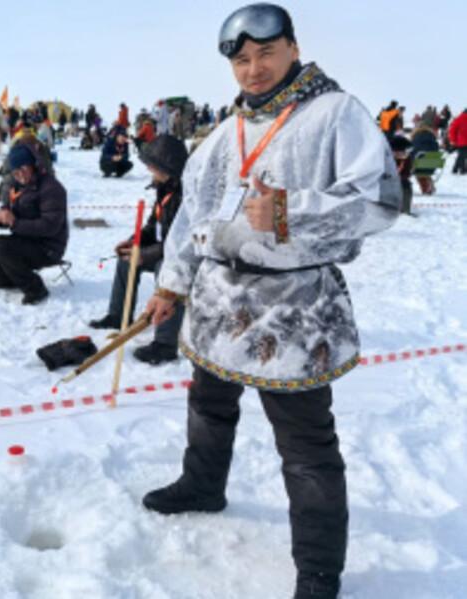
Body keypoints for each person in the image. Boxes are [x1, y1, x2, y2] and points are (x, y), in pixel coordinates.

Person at [141, 5, 401, 598]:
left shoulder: (335, 113)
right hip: (218, 299)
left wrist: (290, 210)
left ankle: (317, 570)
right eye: (241, 60)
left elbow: (381, 198)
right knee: (209, 403)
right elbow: (191, 213)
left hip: (293, 309)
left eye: (265, 54)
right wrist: (170, 283)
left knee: (305, 444)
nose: (254, 69)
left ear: (292, 46)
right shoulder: (226, 131)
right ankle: (202, 485)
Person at [89, 134, 188, 364]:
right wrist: (133, 242)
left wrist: (145, 255)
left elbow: (182, 242)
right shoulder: (165, 188)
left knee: (166, 270)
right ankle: (118, 316)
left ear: (168, 165)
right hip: (165, 250)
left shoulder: (186, 194)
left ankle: (165, 344)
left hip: (182, 260)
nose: (149, 168)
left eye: (153, 164)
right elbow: (153, 225)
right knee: (126, 260)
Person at [0, 143, 67, 305]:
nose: (20, 174)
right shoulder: (17, 187)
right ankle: (5, 279)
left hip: (48, 247)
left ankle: (35, 288)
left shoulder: (51, 188)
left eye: (24, 168)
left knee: (2, 248)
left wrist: (15, 223)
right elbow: (6, 209)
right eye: (15, 171)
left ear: (33, 165)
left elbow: (50, 226)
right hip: (27, 239)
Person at [410, 122, 440, 195]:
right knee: (424, 169)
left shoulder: (416, 137)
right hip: (433, 164)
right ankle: (430, 186)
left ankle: (426, 188)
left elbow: (413, 151)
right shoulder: (433, 138)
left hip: (420, 164)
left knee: (418, 170)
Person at [448, 108, 467, 175]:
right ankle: (462, 170)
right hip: (462, 141)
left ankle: (455, 169)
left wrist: (453, 140)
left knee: (461, 155)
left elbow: (452, 130)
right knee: (462, 155)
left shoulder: (458, 119)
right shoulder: (460, 118)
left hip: (461, 141)